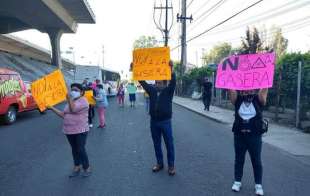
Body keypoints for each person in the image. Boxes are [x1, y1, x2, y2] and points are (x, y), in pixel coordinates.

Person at [138, 61, 176, 176]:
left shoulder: (169, 91)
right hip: (154, 122)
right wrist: (136, 70)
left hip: (165, 122)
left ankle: (171, 166)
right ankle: (159, 163)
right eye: (156, 83)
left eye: (159, 83)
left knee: (169, 143)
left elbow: (173, 81)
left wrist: (171, 68)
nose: (157, 85)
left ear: (165, 84)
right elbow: (143, 82)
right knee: (156, 143)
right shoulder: (152, 91)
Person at [228, 88, 268, 196]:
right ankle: (237, 182)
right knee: (239, 159)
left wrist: (265, 82)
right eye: (245, 90)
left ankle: (258, 185)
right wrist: (229, 81)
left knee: (256, 160)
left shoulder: (258, 99)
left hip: (254, 135)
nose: (247, 91)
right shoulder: (238, 99)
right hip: (239, 135)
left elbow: (263, 96)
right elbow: (232, 95)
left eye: (250, 89)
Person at [48, 83, 91, 178]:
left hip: (80, 130)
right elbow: (63, 114)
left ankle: (86, 167)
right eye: (72, 90)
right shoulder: (70, 102)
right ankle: (77, 166)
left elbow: (74, 109)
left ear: (82, 92)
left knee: (80, 149)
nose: (73, 92)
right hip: (69, 131)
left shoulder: (83, 101)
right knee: (74, 149)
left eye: (76, 90)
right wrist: (51, 108)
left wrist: (69, 99)